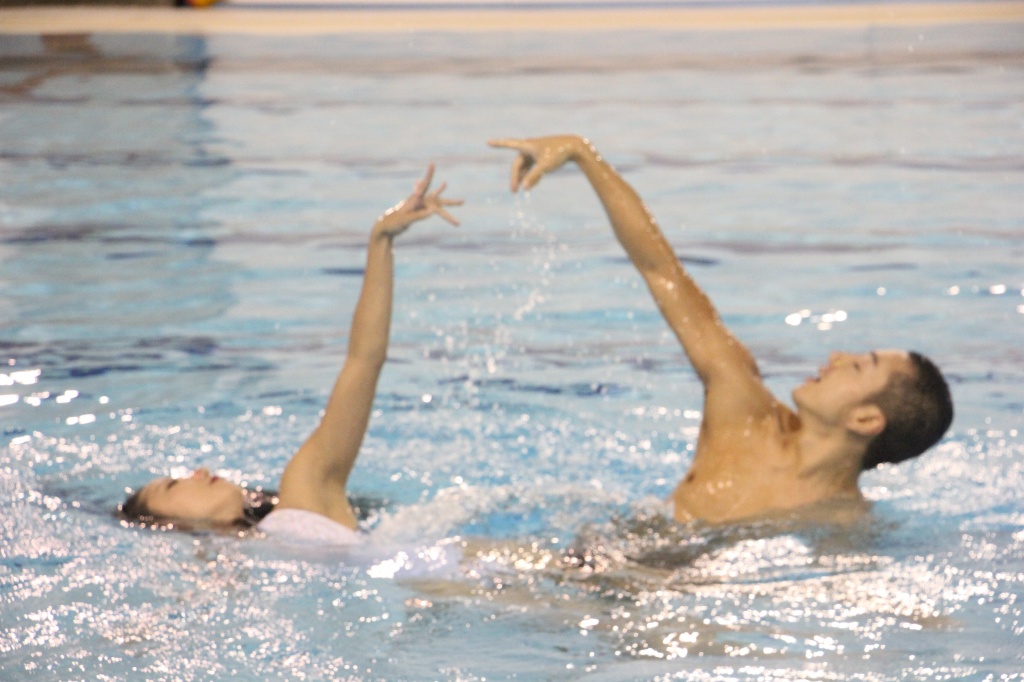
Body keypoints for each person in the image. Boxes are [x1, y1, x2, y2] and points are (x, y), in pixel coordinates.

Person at [490, 135, 953, 525]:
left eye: (857, 366)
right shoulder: (742, 409)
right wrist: (581, 154)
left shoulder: (844, 523)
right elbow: (661, 271)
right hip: (606, 563)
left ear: (866, 420)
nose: (836, 357)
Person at [120, 166, 462, 543]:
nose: (199, 470)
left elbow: (363, 361)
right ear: (166, 525)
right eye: (173, 485)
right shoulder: (226, 575)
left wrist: (380, 240)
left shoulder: (304, 491)